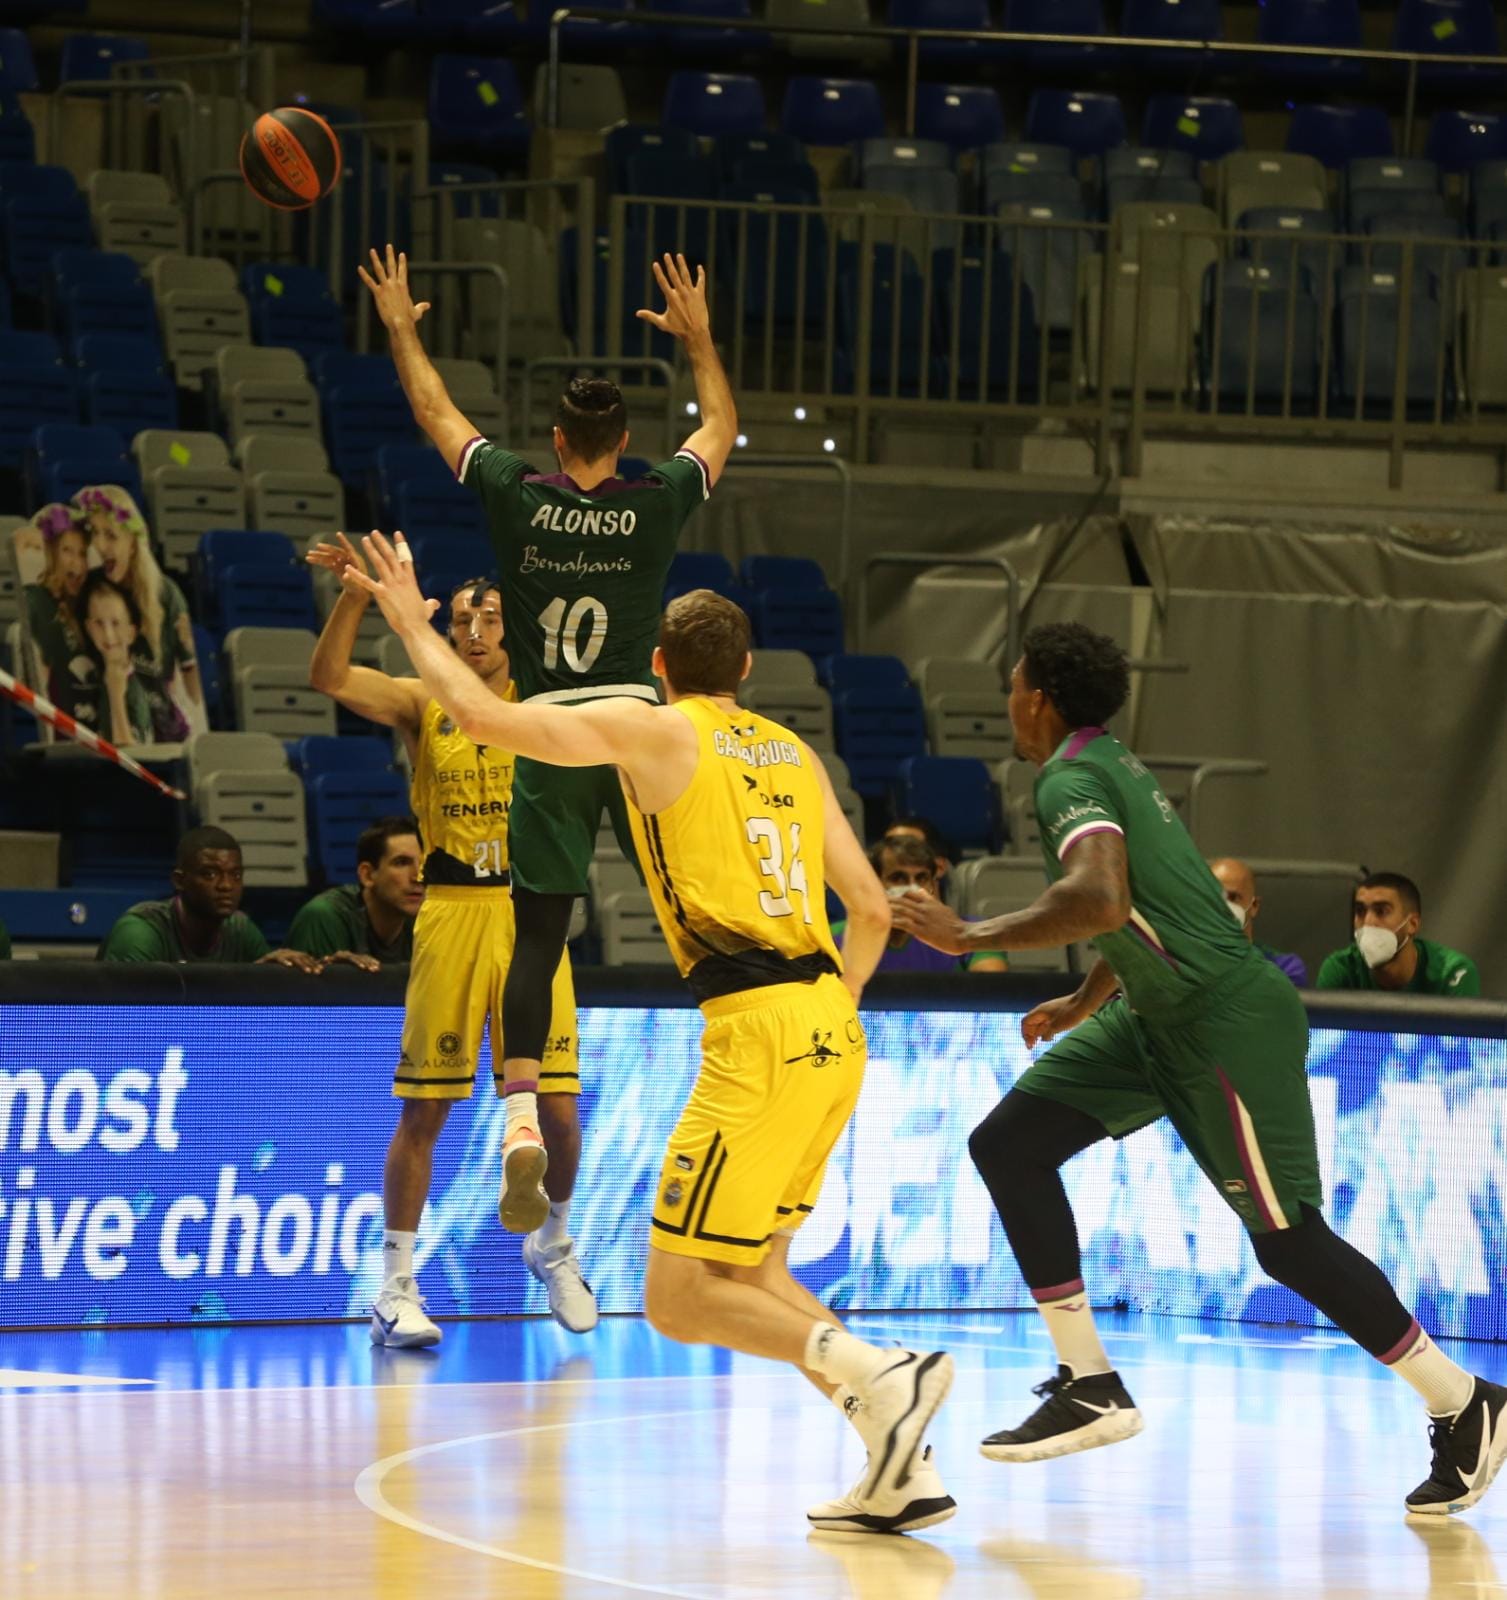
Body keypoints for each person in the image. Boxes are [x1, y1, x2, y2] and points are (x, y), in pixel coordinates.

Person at [350, 539, 957, 1534]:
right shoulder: (794, 753)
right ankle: (899, 1466)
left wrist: (415, 620)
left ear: (663, 667)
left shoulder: (653, 730)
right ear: (749, 668)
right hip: (831, 1027)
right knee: (755, 1274)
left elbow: (486, 718)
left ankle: (884, 1372)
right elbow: (875, 910)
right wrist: (826, 1009)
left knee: (675, 1297)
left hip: (754, 1027)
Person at [892, 621, 1506, 1517]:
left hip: (1221, 1023)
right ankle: (1087, 1381)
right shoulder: (1110, 762)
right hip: (1152, 1014)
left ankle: (1464, 1403)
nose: (1008, 702)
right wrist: (1084, 1001)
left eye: (1014, 684)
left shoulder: (1073, 774)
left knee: (1287, 1243)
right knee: (1010, 1146)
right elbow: (1142, 907)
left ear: (1042, 697)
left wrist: (971, 933)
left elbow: (1098, 896)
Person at [359, 243, 736, 1234]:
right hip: (638, 725)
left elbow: (436, 414)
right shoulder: (656, 502)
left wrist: (402, 326)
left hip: (551, 723)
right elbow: (723, 427)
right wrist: (697, 339)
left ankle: (519, 1116)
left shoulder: (516, 494)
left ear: (559, 439)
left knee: (540, 934)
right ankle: (744, 1046)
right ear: (621, 444)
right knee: (699, 899)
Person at [306, 539, 591, 1343]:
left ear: (515, 631)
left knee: (561, 1115)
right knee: (426, 1109)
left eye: (489, 618)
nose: (472, 631)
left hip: (531, 912)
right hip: (455, 909)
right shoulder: (422, 696)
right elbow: (327, 680)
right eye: (462, 619)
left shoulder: (547, 699)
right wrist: (358, 598)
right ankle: (395, 1285)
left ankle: (553, 1245)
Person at [98, 826, 320, 969]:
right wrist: (245, 980)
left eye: (236, 875)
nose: (225, 886)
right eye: (210, 874)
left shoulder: (241, 930)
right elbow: (133, 1021)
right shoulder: (140, 931)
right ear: (179, 881)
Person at [73, 485, 201, 726]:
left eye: (110, 535)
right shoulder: (89, 587)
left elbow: (191, 676)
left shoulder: (166, 593)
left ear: (133, 543)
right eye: (94, 534)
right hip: (103, 722)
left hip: (159, 723)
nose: (99, 546)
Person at [835, 833, 1007, 974]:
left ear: (933, 885)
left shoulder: (975, 934)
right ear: (874, 883)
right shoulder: (833, 938)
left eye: (921, 878)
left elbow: (990, 995)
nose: (911, 889)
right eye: (898, 878)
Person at [60, 570, 190, 745]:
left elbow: (132, 758)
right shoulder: (97, 679)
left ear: (131, 633)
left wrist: (116, 696)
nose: (108, 634)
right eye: (99, 623)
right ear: (89, 628)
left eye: (115, 623)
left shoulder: (132, 691)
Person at [286, 815, 425, 967]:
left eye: (426, 863)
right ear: (367, 875)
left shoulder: (426, 921)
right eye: (402, 863)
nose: (419, 876)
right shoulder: (323, 917)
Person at [1317, 874, 1480, 998]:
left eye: (1381, 911)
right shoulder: (1340, 969)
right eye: (1360, 911)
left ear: (1412, 924)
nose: (1368, 922)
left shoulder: (1452, 973)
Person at [19, 504, 88, 702]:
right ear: (50, 553)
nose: (78, 563)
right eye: (67, 550)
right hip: (61, 724)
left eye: (82, 553)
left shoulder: (85, 604)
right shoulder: (35, 601)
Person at [1209, 856, 1308, 986]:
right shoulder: (1187, 967)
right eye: (1215, 897)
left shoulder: (1286, 969)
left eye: (1233, 897)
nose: (1224, 907)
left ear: (1254, 906)